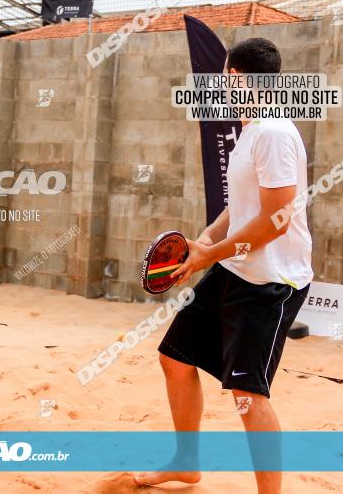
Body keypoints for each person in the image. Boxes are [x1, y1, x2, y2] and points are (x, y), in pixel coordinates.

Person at [135, 38, 313, 494]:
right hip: (235, 268)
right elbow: (241, 206)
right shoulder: (250, 129)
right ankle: (186, 462)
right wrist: (207, 241)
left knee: (248, 395)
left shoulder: (273, 133)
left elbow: (276, 220)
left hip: (272, 282)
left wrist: (210, 255)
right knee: (174, 357)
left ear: (234, 77)